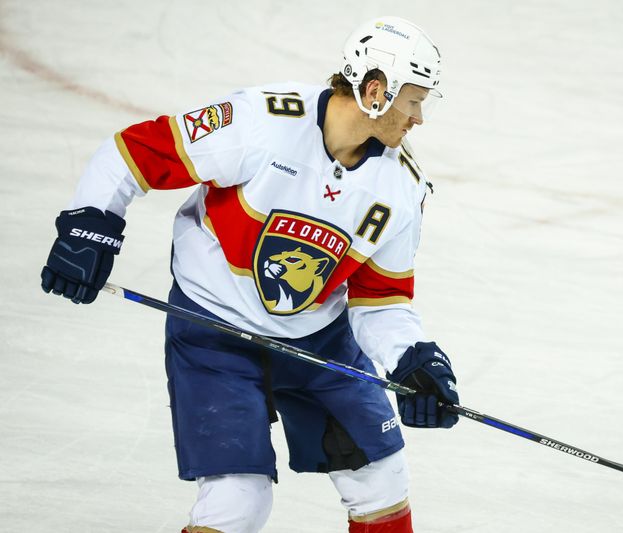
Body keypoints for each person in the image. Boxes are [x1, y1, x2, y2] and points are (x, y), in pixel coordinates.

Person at [40, 16, 459, 533]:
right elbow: (136, 152)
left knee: (382, 479)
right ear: (376, 91)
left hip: (318, 344)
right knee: (238, 502)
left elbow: (381, 300)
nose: (419, 117)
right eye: (414, 100)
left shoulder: (401, 186)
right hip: (213, 335)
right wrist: (91, 223)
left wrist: (411, 360)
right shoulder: (261, 121)